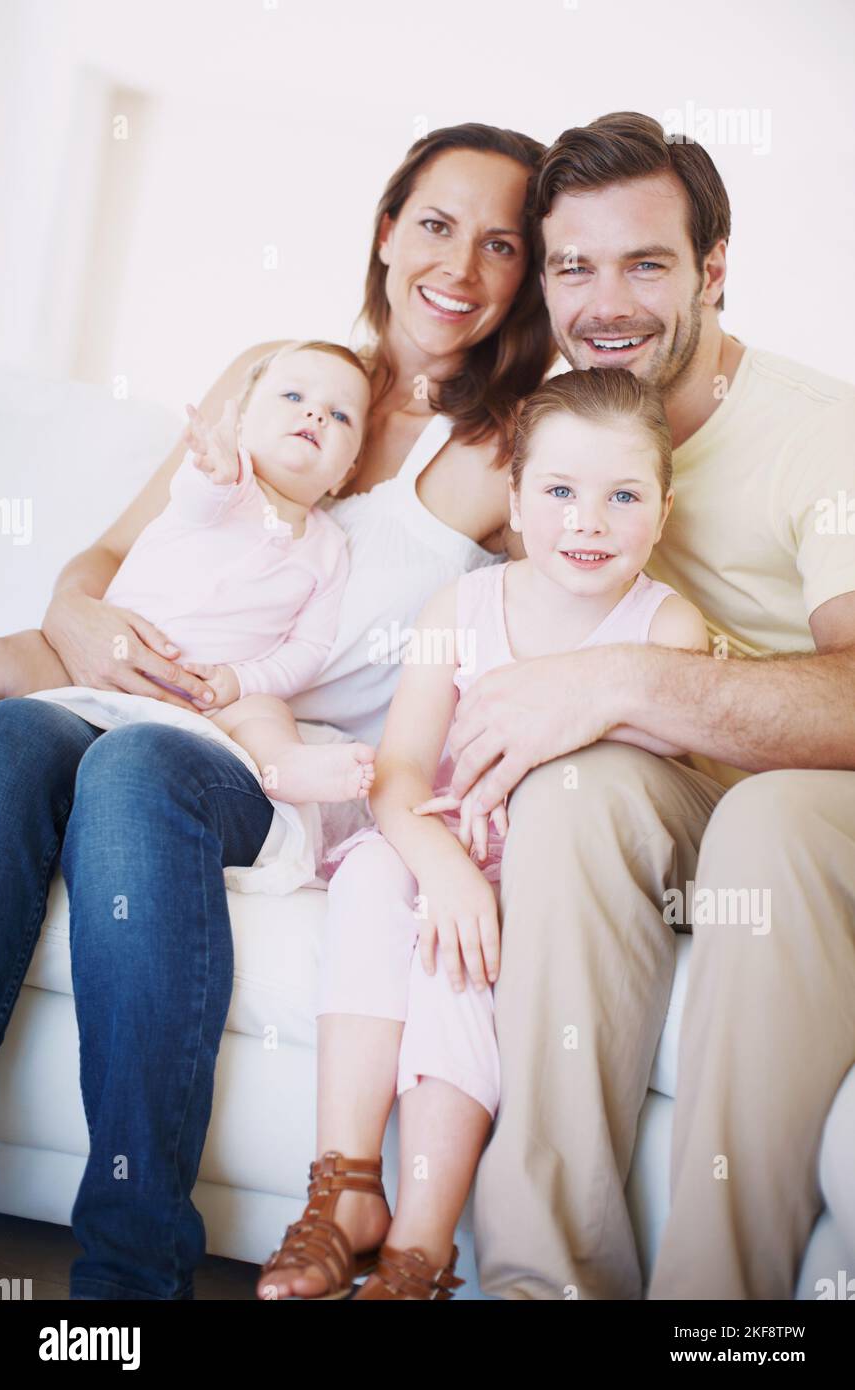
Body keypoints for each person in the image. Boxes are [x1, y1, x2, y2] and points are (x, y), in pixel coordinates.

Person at [0, 122, 557, 1299]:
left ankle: (130, 1276)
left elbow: (602, 575)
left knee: (136, 769)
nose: (458, 266)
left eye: (501, 244)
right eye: (436, 224)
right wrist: (80, 615)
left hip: (273, 765)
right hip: (121, 693)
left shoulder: (507, 446)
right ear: (388, 228)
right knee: (9, 741)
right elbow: (106, 555)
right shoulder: (282, 369)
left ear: (527, 272)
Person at [442, 112, 855, 1301]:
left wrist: (616, 678)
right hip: (682, 779)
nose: (602, 300)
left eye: (645, 263)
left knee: (768, 826)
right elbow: (380, 553)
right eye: (572, 265)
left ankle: (714, 1315)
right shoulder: (563, 429)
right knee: (570, 794)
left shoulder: (818, 438)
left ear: (712, 270)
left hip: (814, 800)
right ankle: (539, 1281)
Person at [255, 367, 709, 1301]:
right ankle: (342, 1185)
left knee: (456, 955)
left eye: (623, 496)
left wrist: (474, 888)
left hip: (546, 874)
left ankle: (420, 1247)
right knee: (377, 881)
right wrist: (446, 869)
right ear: (514, 500)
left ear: (662, 513)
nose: (587, 521)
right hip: (439, 843)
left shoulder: (666, 631)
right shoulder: (460, 609)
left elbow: (647, 794)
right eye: (559, 492)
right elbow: (402, 772)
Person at [0, 340, 377, 806]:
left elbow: (309, 649)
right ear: (240, 422)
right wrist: (214, 469)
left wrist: (240, 681)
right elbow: (197, 501)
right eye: (294, 397)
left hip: (204, 706)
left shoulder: (330, 549)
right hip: (92, 667)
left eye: (341, 416)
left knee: (266, 715)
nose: (316, 415)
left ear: (348, 472)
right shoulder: (226, 485)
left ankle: (286, 766)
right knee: (11, 654)